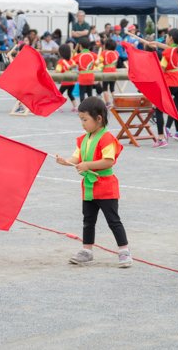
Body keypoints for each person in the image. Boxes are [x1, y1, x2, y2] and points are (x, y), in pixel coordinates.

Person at [55, 97, 132, 268]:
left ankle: (124, 251)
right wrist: (66, 161)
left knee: (113, 220)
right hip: (89, 187)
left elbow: (108, 161)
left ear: (98, 119)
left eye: (85, 119)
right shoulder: (83, 139)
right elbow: (77, 158)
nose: (82, 123)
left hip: (106, 186)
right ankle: (87, 250)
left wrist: (88, 165)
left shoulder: (107, 139)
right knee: (88, 220)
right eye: (81, 119)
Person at [136, 26, 178, 141]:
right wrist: (157, 44)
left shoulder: (167, 53)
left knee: (159, 109)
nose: (166, 38)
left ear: (171, 39)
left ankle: (160, 138)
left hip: (168, 82)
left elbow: (161, 70)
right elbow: (171, 48)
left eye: (167, 36)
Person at [56, 43, 78, 111]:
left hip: (65, 82)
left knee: (59, 94)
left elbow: (58, 70)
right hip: (72, 81)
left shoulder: (61, 61)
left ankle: (58, 107)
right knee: (70, 93)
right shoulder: (72, 61)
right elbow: (75, 66)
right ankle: (76, 106)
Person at [100, 39, 119, 107]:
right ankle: (115, 102)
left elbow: (100, 61)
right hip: (114, 71)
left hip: (106, 72)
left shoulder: (104, 53)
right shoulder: (116, 53)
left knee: (105, 89)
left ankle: (108, 103)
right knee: (112, 88)